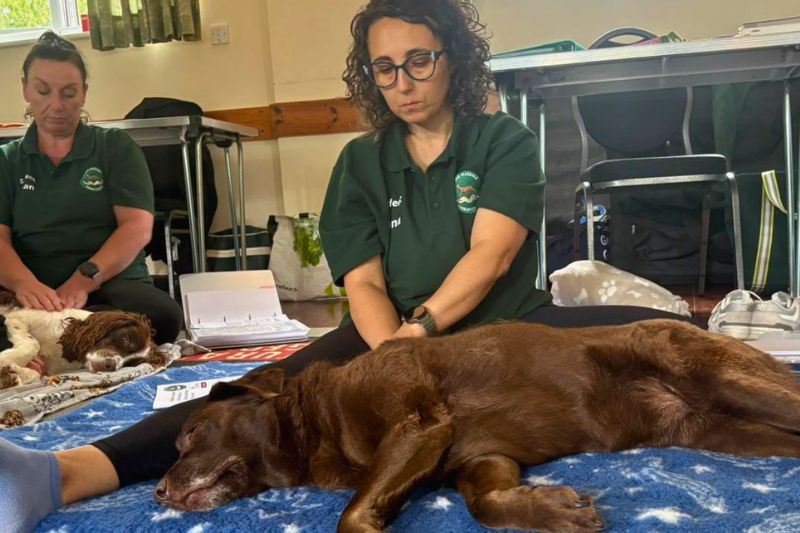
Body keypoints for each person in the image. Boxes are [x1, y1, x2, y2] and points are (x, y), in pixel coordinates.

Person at [0, 3, 687, 532]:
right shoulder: (360, 162)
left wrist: (419, 334)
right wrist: (391, 352)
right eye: (385, 67)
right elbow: (360, 279)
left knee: (663, 337)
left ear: (454, 58)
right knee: (240, 396)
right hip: (383, 334)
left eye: (419, 60)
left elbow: (492, 254)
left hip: (508, 324)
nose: (402, 81)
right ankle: (60, 473)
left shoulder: (501, 140)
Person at [0, 31, 183, 346]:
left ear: (83, 94)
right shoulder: (7, 160)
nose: (56, 105)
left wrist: (82, 282)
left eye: (69, 93)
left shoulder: (115, 147)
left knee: (161, 315)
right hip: (32, 292)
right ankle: (73, 338)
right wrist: (26, 286)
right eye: (43, 91)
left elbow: (136, 229)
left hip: (107, 286)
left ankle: (51, 340)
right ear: (26, 89)